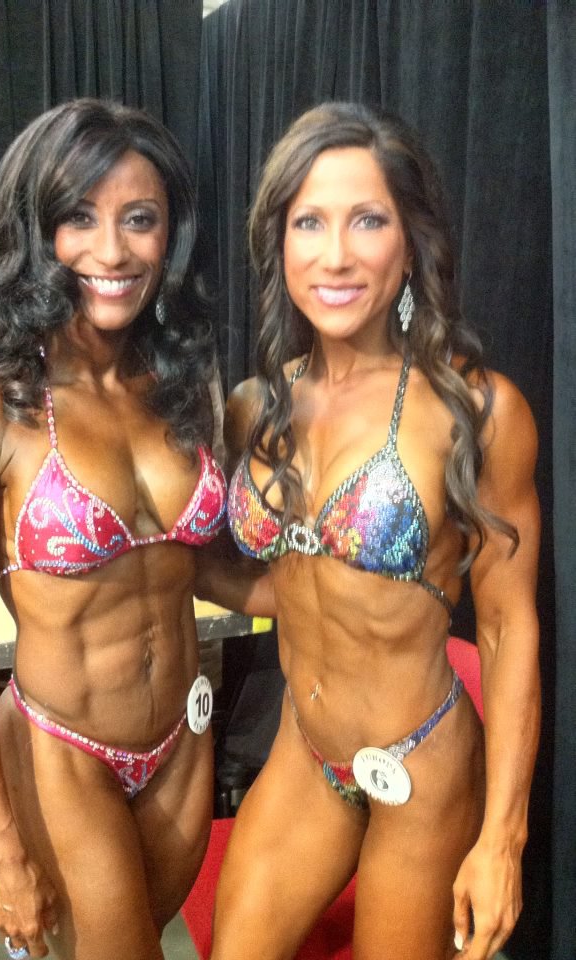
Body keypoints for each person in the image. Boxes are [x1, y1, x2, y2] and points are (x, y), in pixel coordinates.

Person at [0, 98, 269, 960]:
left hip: (183, 737)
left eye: (139, 219)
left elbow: (197, 566)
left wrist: (334, 588)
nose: (112, 251)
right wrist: (1, 850)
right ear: (35, 232)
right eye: (79, 217)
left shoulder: (181, 379)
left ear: (170, 234)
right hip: (63, 748)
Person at [212, 102, 540, 960]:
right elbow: (289, 583)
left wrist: (502, 839)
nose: (335, 254)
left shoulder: (478, 410)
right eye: (308, 222)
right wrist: (157, 561)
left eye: (367, 219)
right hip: (304, 750)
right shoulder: (254, 407)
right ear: (278, 240)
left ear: (410, 240)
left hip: (419, 768)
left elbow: (507, 627)